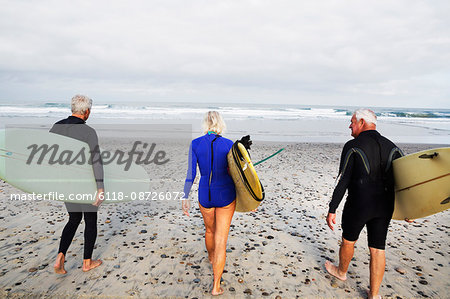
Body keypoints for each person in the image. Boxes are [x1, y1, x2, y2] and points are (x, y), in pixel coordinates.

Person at [325, 109, 403, 299]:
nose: (350, 125)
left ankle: (341, 272)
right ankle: (374, 295)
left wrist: (332, 209)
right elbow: (404, 183)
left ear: (361, 122)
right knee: (378, 249)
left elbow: (343, 180)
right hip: (384, 207)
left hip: (359, 205)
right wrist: (408, 210)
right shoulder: (393, 147)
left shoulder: (353, 146)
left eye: (352, 122)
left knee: (348, 240)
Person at [182, 111, 237, 296]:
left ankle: (212, 258)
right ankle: (216, 286)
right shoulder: (229, 145)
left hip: (205, 194)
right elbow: (237, 176)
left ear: (205, 124)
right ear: (221, 124)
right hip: (225, 195)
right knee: (221, 240)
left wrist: (185, 196)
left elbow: (191, 174)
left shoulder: (196, 144)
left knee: (209, 231)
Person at [51, 94, 105, 274]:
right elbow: (96, 161)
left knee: (74, 218)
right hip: (85, 182)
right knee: (90, 220)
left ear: (72, 109)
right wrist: (100, 187)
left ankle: (60, 256)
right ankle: (87, 263)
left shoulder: (57, 127)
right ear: (87, 111)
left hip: (65, 182)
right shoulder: (88, 131)